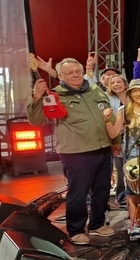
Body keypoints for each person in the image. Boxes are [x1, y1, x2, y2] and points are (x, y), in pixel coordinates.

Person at [27, 58, 117, 245]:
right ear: (60, 76)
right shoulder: (54, 95)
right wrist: (36, 97)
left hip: (103, 149)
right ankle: (76, 230)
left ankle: (97, 224)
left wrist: (115, 141)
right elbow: (36, 121)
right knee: (78, 193)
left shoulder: (95, 90)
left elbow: (110, 116)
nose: (75, 75)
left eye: (77, 71)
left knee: (102, 190)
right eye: (69, 73)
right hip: (76, 153)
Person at [105, 79, 140, 230]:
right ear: (130, 93)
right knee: (132, 191)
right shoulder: (124, 110)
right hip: (131, 154)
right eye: (135, 91)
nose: (138, 93)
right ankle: (135, 222)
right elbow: (114, 132)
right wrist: (107, 120)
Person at [107, 74, 129, 208]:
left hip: (132, 137)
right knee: (120, 170)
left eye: (119, 82)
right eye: (113, 82)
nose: (116, 84)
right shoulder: (108, 98)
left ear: (125, 84)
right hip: (116, 138)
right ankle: (121, 197)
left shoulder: (132, 96)